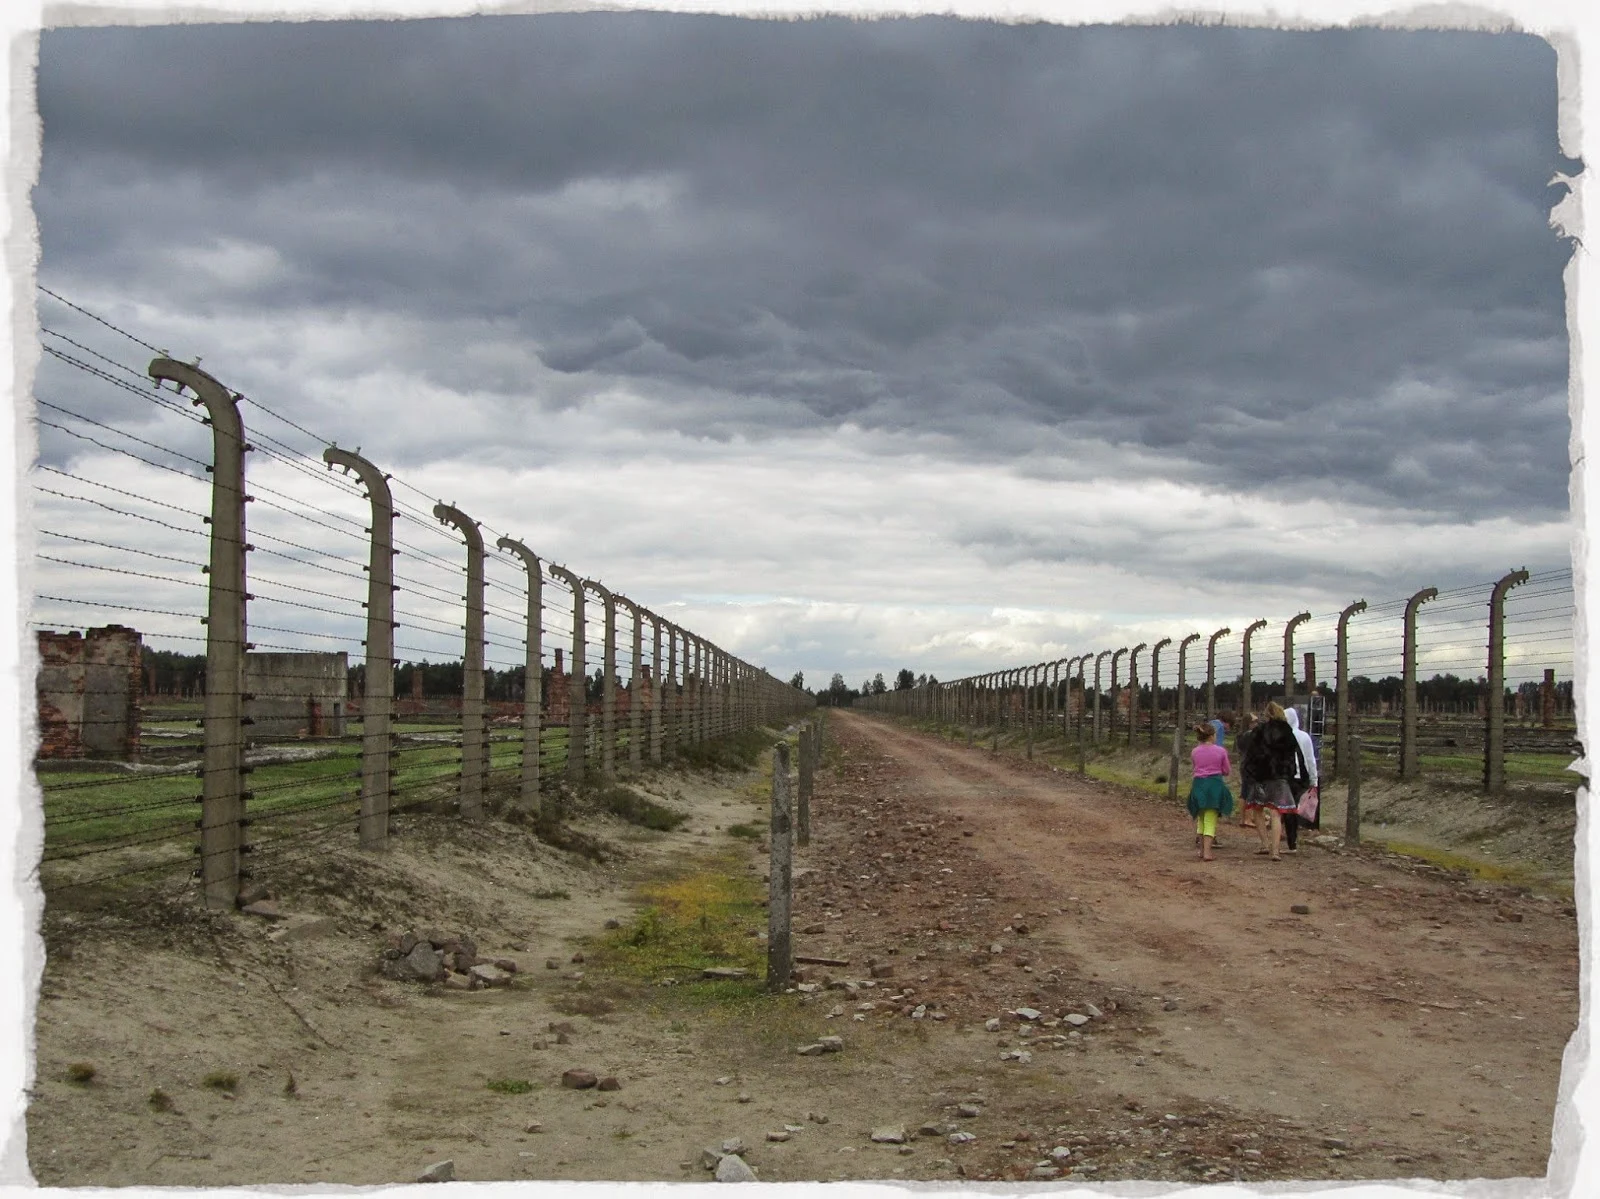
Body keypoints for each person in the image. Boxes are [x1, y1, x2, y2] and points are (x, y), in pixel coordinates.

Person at [1239, 701, 1306, 860]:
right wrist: (1291, 774)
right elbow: (1292, 755)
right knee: (1276, 812)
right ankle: (1275, 851)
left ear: (1267, 714)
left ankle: (1264, 843)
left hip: (1260, 776)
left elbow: (1251, 754)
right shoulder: (1288, 732)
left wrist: (1250, 773)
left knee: (1257, 809)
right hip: (1280, 776)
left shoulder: (1259, 731)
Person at [1186, 723, 1234, 862]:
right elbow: (1226, 770)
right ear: (1212, 736)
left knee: (1201, 818)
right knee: (1210, 819)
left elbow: (1195, 767)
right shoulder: (1220, 751)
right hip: (1214, 786)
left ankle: (1201, 850)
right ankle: (1207, 852)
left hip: (1199, 785)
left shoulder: (1195, 751)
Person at [1283, 706, 1319, 852]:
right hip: (1301, 777)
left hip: (1286, 777)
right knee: (1299, 806)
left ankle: (1292, 842)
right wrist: (1314, 779)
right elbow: (1310, 759)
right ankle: (1297, 836)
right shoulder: (1304, 736)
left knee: (1287, 810)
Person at [1233, 711, 1266, 841]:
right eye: (1254, 721)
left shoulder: (1241, 736)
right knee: (1249, 791)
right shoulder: (1249, 735)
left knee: (1244, 791)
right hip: (1250, 766)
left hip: (1244, 765)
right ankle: (1247, 817)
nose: (1256, 723)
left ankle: (1244, 817)